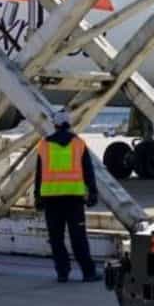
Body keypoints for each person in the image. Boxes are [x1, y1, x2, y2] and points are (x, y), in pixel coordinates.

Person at [35, 110, 101, 283]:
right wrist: (92, 192)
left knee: (56, 238)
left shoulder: (43, 145)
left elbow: (39, 175)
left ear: (55, 125)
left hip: (51, 199)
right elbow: (88, 171)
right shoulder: (78, 144)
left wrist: (38, 197)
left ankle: (62, 273)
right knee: (78, 237)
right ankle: (88, 273)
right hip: (73, 199)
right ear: (68, 124)